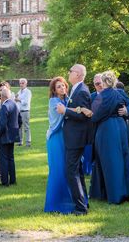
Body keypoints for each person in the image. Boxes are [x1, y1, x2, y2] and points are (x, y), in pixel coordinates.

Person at [89, 71, 129, 204]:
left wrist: (126, 110)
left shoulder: (102, 96)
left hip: (107, 129)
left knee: (109, 160)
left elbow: (94, 116)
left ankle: (111, 193)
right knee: (122, 158)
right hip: (121, 127)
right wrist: (126, 110)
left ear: (105, 82)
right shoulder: (119, 93)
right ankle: (125, 191)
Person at [56, 64, 91, 215]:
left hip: (76, 138)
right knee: (77, 171)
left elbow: (83, 116)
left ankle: (80, 208)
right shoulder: (76, 89)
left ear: (77, 74)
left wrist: (65, 111)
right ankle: (83, 203)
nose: (68, 73)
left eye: (70, 71)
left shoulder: (82, 91)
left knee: (71, 172)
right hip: (73, 137)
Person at [44, 76, 75, 213]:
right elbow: (62, 115)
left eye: (63, 85)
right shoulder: (54, 101)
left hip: (66, 138)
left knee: (67, 169)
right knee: (58, 170)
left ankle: (69, 199)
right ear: (54, 90)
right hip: (56, 138)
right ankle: (55, 203)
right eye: (59, 87)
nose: (62, 88)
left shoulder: (67, 99)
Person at [0, 85, 20, 187]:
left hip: (4, 136)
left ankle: (5, 182)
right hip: (12, 135)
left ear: (2, 97)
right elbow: (20, 120)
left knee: (3, 159)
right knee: (11, 158)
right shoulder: (14, 104)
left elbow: (1, 125)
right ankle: (13, 180)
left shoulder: (4, 106)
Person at [16, 78, 32, 147]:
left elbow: (26, 102)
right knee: (19, 127)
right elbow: (17, 101)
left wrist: (18, 99)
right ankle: (20, 141)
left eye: (23, 83)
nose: (21, 84)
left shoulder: (28, 92)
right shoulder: (19, 92)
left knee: (26, 127)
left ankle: (28, 142)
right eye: (20, 83)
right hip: (19, 111)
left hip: (25, 111)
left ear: (26, 84)